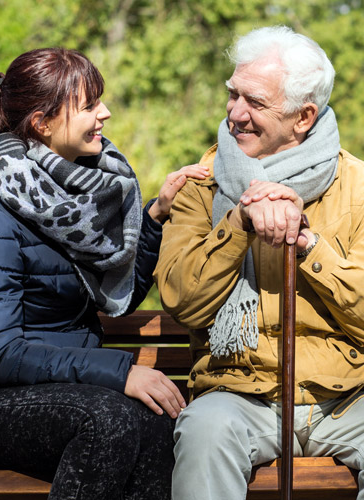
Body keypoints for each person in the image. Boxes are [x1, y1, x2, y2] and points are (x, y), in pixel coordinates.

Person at [0, 47, 209, 500]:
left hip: (68, 389)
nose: (106, 113)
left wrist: (155, 216)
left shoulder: (79, 207)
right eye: (90, 105)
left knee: (159, 421)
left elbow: (117, 298)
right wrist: (121, 372)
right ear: (42, 123)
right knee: (109, 421)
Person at [154, 25, 364, 500]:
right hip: (238, 395)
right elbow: (182, 302)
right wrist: (239, 223)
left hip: (348, 398)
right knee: (204, 433)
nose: (235, 114)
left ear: (303, 116)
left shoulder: (358, 186)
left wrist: (308, 244)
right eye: (232, 95)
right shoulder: (199, 185)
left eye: (255, 102)